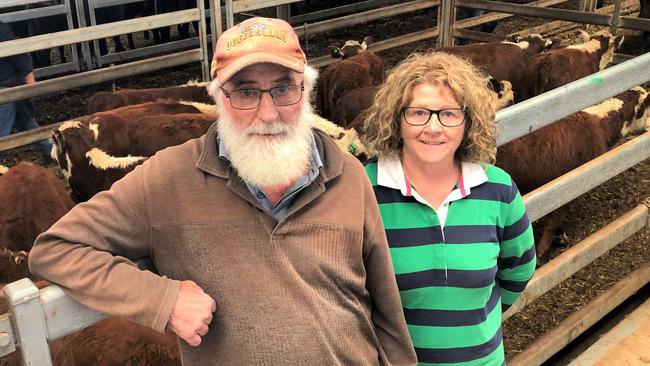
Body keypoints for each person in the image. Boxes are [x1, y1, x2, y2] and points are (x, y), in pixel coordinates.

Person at [29, 16, 417, 365]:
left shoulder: (345, 172)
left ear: (306, 90)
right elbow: (56, 249)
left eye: (283, 89)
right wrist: (163, 300)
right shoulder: (169, 177)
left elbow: (384, 306)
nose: (267, 113)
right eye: (245, 92)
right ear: (218, 98)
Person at [361, 52, 536, 365]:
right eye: (418, 113)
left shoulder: (498, 188)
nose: (433, 127)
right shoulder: (364, 189)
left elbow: (518, 268)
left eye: (449, 114)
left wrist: (475, 319)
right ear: (395, 118)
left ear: (468, 122)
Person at [0, 20, 53, 161]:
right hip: (10, 83)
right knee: (26, 122)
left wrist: (29, 78)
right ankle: (50, 152)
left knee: (1, 131)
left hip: (6, 86)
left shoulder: (1, 28)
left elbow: (18, 53)